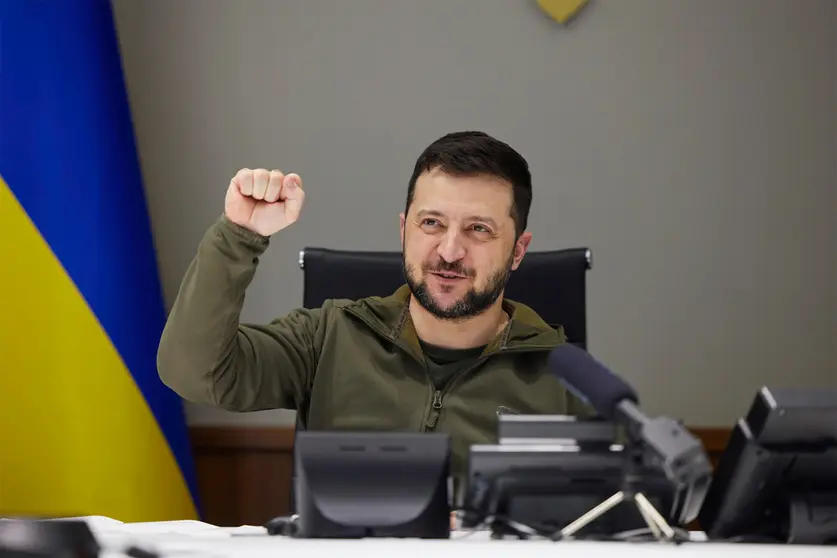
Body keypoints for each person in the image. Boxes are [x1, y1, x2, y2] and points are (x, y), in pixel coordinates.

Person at [157, 130, 590, 492]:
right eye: (431, 223)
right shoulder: (329, 337)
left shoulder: (568, 383)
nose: (450, 250)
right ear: (404, 229)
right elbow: (193, 372)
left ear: (517, 251)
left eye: (478, 229)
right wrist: (239, 235)